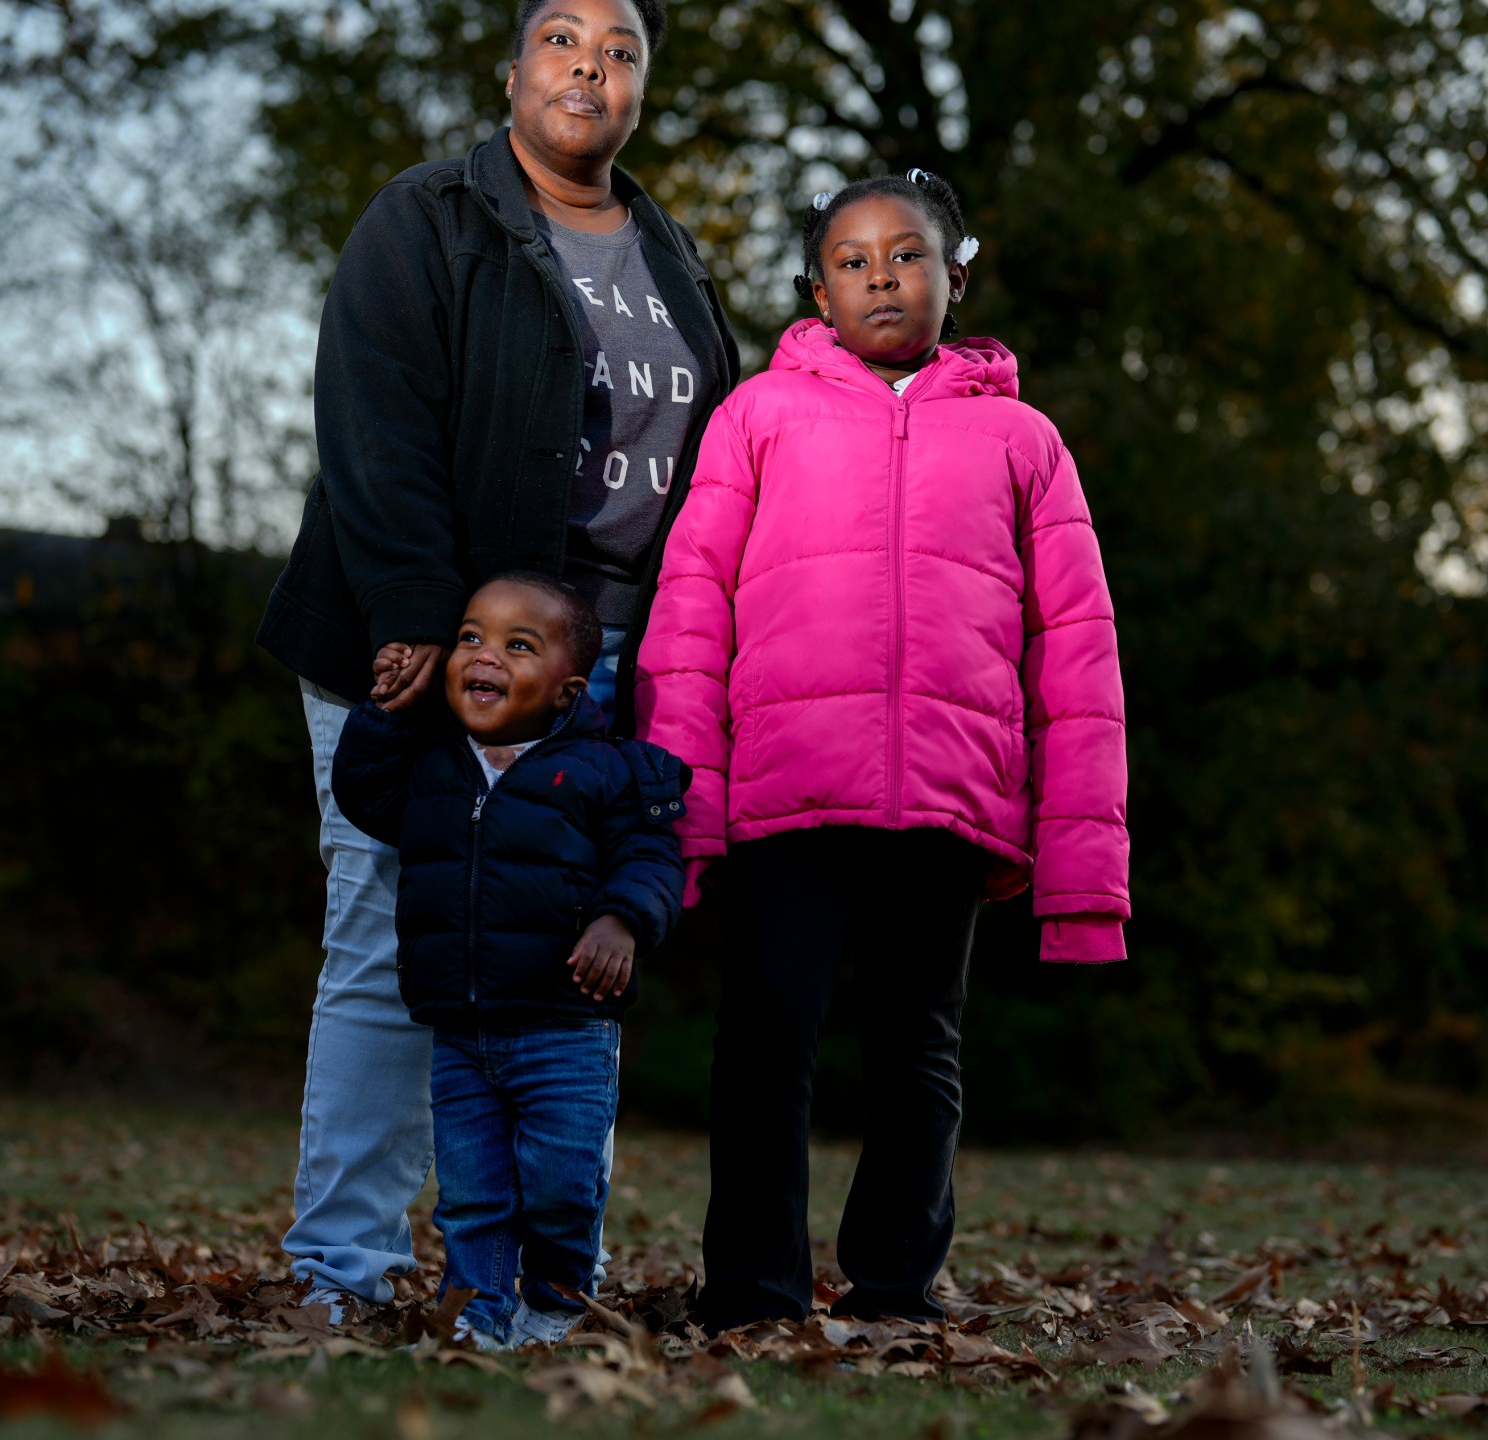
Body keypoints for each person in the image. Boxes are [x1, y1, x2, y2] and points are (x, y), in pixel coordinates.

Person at [255, 0, 736, 1317]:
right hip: (437, 647)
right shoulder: (429, 218)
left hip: (601, 662)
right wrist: (415, 609)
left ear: (641, 88)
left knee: (570, 960)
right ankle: (341, 1275)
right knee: (383, 942)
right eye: (564, 39)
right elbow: (373, 419)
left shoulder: (670, 254)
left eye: (623, 49)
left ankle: (533, 1284)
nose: (592, 65)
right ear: (512, 70)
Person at [635, 170, 1130, 1331]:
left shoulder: (1023, 440)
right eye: (850, 262)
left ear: (956, 276)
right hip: (785, 794)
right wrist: (680, 799)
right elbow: (691, 606)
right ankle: (753, 1287)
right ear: (817, 290)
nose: (879, 278)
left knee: (918, 1053)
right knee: (767, 1039)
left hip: (948, 802)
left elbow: (1078, 652)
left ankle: (895, 1287)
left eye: (904, 256)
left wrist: (1081, 873)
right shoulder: (756, 416)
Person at [330, 574, 690, 1349]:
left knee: (561, 1184)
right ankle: (481, 1312)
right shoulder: (434, 764)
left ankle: (558, 1300)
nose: (485, 655)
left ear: (565, 691)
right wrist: (386, 708)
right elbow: (362, 791)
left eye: (517, 646)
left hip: (565, 1028)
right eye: (471, 637)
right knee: (472, 1191)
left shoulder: (608, 771)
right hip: (461, 1031)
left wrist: (621, 920)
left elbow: (653, 859)